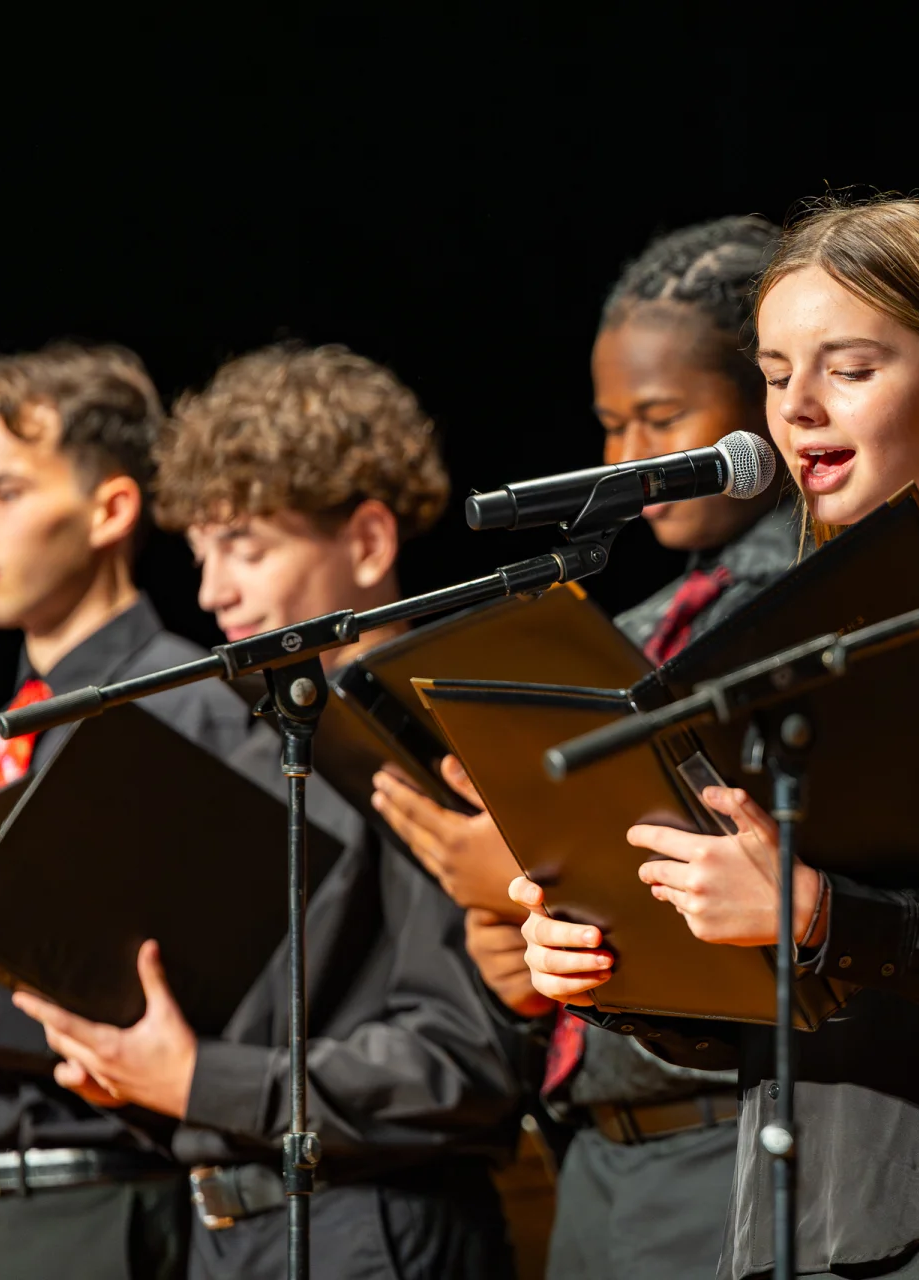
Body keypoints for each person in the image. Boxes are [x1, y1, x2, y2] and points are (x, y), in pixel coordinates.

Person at [515, 196, 919, 1279]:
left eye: (850, 369)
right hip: (788, 1211)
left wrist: (811, 909)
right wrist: (615, 963)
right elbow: (766, 995)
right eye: (775, 375)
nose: (799, 407)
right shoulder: (787, 634)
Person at [8, 343, 523, 1279]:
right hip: (226, 1226)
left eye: (246, 546)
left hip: (373, 1229)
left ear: (367, 542)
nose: (213, 591)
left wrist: (198, 1078)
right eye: (201, 553)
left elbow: (463, 1062)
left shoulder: (433, 739)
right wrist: (136, 1068)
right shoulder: (253, 738)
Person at [369, 216, 796, 1280]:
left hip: (730, 1133)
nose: (627, 456)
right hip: (594, 1152)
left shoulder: (805, 610)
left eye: (662, 417)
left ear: (764, 406)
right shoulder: (631, 630)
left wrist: (522, 868)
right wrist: (524, 941)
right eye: (611, 425)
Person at [0, 343, 254, 1280]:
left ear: (110, 510)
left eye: (1, 494)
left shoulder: (186, 707)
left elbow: (219, 999)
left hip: (93, 1203)